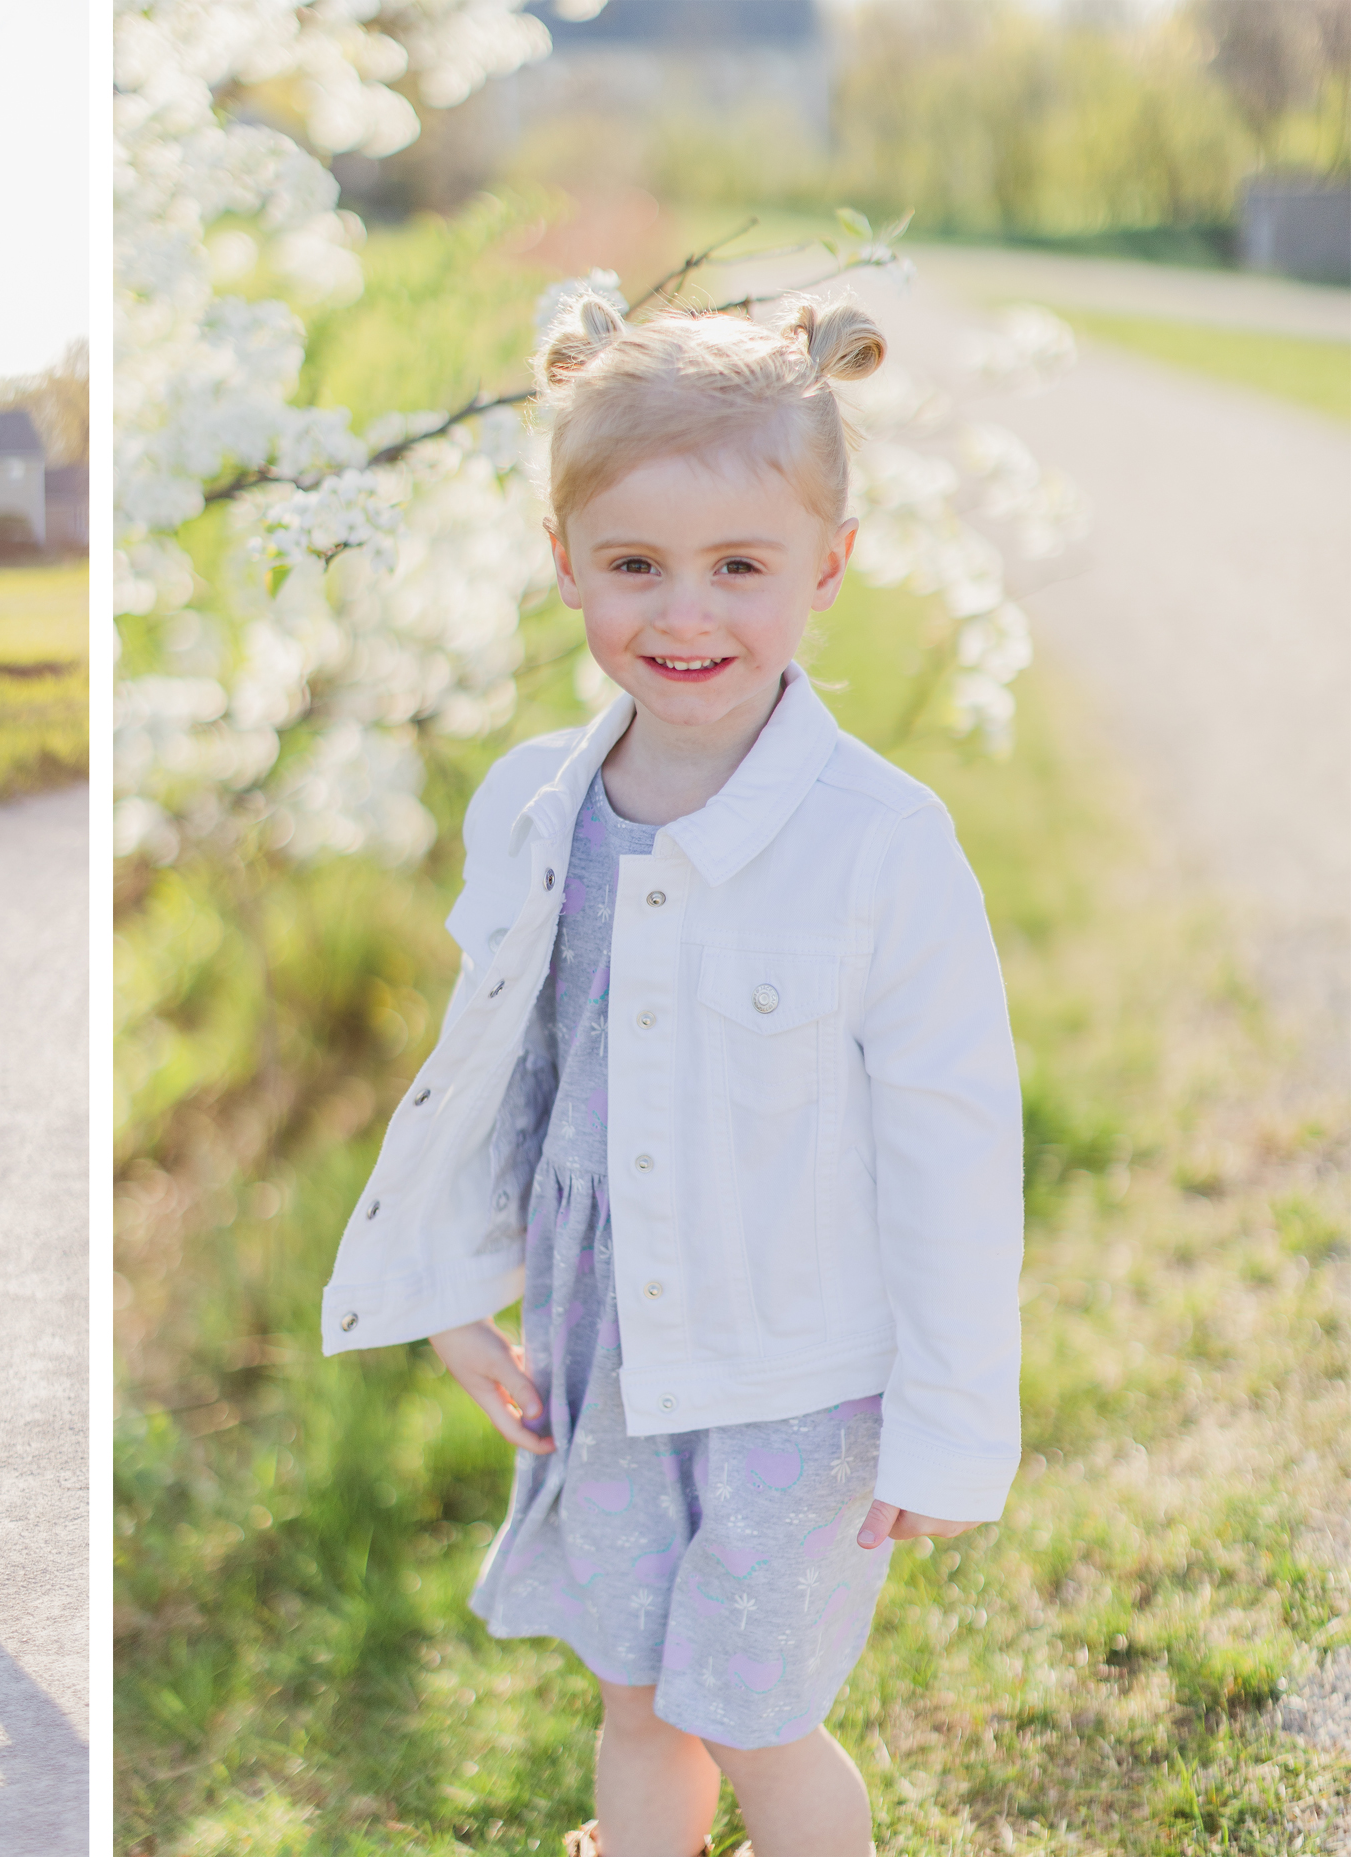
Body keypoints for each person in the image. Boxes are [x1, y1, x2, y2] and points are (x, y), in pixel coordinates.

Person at [318, 295, 1023, 1857]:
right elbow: (492, 1078)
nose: (682, 612)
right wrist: (448, 1294)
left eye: (739, 567)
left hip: (802, 1375)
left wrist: (956, 1424)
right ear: (564, 558)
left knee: (752, 1722)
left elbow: (955, 1145)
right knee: (637, 1698)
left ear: (825, 564)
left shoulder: (878, 845)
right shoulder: (533, 810)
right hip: (607, 1360)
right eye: (633, 564)